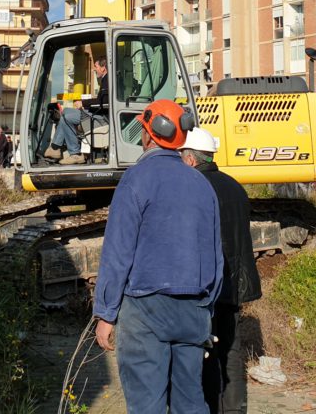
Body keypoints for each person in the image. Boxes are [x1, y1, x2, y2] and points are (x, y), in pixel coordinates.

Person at [93, 100, 223, 414]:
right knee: (190, 403)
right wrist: (205, 307)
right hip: (193, 308)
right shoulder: (201, 184)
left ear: (149, 134)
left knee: (146, 404)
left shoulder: (136, 178)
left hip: (144, 309)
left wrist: (106, 313)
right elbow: (216, 257)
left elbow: (118, 251)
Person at [180, 127, 261, 414]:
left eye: (181, 157)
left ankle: (211, 407)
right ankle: (235, 409)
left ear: (191, 159)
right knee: (231, 351)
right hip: (234, 284)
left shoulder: (193, 188)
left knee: (205, 353)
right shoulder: (234, 186)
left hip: (206, 286)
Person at [46, 56, 109, 166]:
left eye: (96, 66)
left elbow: (104, 101)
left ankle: (71, 152)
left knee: (66, 118)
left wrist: (83, 103)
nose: (94, 69)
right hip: (97, 113)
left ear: (103, 67)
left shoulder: (107, 80)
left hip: (101, 118)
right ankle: (56, 148)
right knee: (65, 111)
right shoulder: (105, 79)